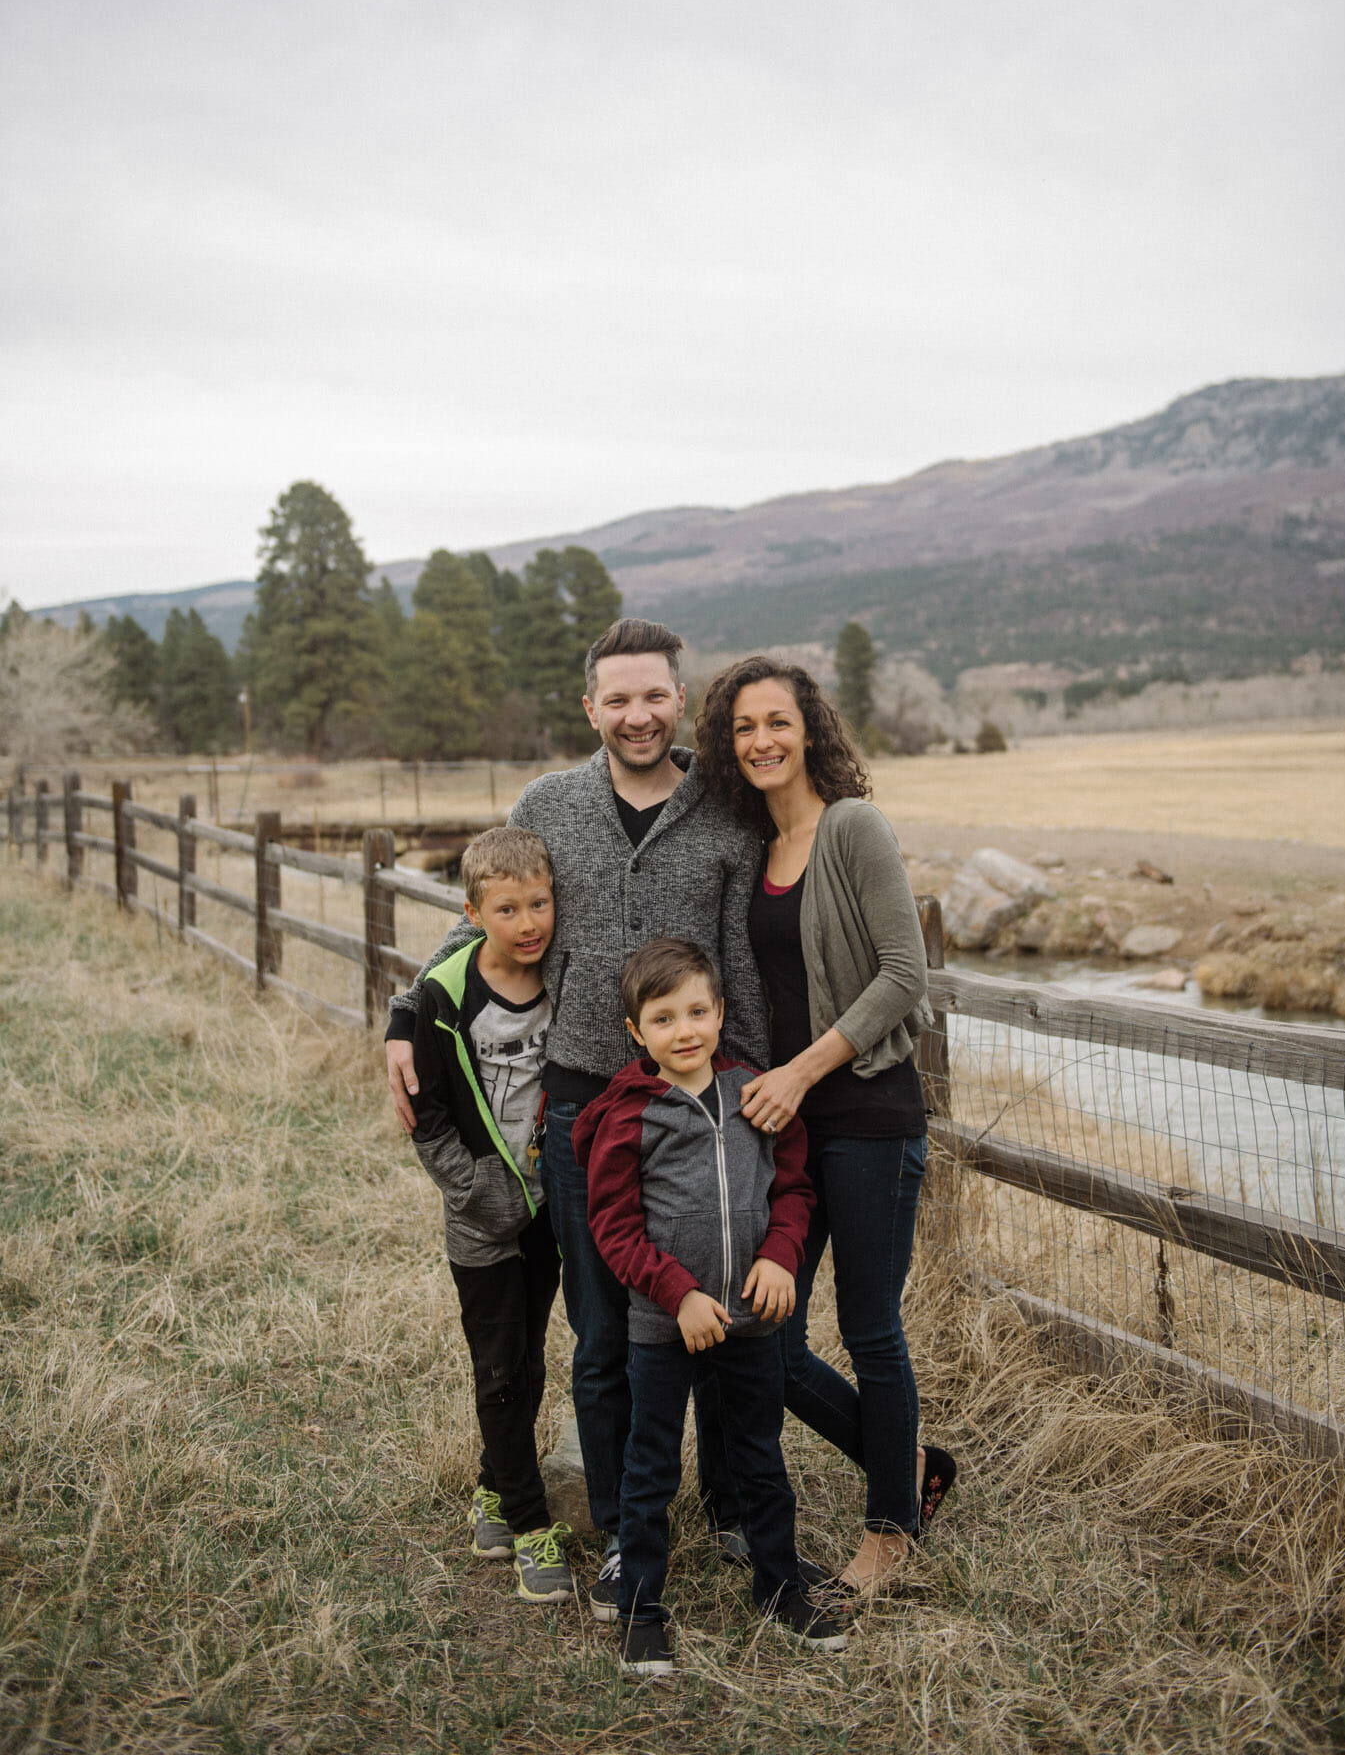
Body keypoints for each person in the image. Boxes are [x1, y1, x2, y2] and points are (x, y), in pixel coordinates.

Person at [385, 618, 770, 1616]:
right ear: (589, 706)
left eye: (654, 695)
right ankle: (613, 1523)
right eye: (617, 698)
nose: (636, 714)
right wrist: (405, 1008)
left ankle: (730, 1500)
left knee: (712, 1304)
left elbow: (743, 967)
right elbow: (478, 914)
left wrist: (758, 1099)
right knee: (601, 1329)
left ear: (679, 699)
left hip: (697, 1110)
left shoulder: (727, 810)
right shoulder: (547, 802)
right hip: (578, 1103)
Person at [694, 654, 958, 1596]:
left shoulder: (853, 827)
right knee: (768, 1334)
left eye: (777, 722)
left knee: (871, 1328)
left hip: (870, 1118)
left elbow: (903, 972)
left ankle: (888, 1530)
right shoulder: (753, 850)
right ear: (726, 747)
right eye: (742, 728)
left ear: (810, 730)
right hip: (789, 1131)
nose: (761, 740)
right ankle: (911, 1468)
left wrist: (798, 1073)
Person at [573, 938, 845, 1675]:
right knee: (650, 1465)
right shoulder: (629, 1117)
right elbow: (614, 1228)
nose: (684, 1030)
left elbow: (791, 1191)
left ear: (721, 1013)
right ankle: (640, 1609)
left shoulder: (757, 1094)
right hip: (664, 1326)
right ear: (635, 1033)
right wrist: (677, 1293)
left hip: (752, 1320)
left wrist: (780, 1254)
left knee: (759, 1455)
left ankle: (780, 1588)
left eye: (697, 1011)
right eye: (664, 1019)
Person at [406, 825, 574, 1604]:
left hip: (547, 1211)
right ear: (473, 912)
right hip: (481, 1218)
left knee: (530, 1359)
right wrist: (476, 1192)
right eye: (507, 909)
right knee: (497, 1368)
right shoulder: (445, 996)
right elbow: (427, 1117)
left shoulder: (562, 980)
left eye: (538, 903)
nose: (528, 922)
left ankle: (491, 1488)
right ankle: (531, 1526)